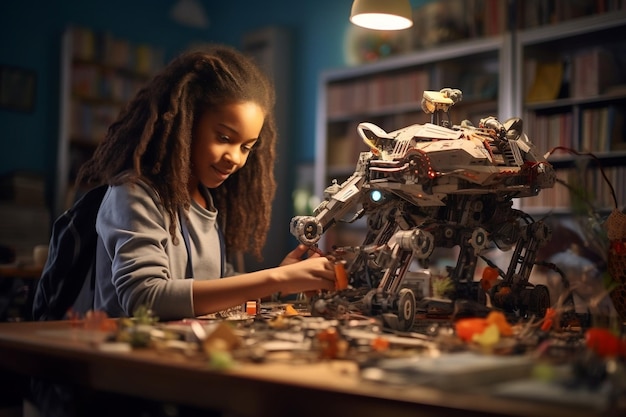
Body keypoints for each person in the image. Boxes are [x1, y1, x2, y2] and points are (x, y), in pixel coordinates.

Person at [73, 44, 337, 321]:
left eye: (247, 147)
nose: (234, 158)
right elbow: (144, 297)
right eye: (224, 138)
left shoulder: (205, 199)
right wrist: (276, 279)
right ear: (186, 123)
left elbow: (215, 281)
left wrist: (281, 282)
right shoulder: (133, 193)